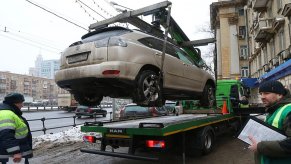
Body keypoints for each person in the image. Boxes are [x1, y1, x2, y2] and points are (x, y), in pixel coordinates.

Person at [248, 80, 291, 164]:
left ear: (279, 94)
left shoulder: (288, 111)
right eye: (261, 94)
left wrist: (260, 146)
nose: (262, 97)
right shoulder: (272, 110)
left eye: (266, 93)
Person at [0, 93, 33, 164]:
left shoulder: (9, 112)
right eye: (21, 103)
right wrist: (15, 152)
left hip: (12, 154)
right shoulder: (7, 114)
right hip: (12, 156)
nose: (22, 105)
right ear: (14, 103)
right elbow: (6, 136)